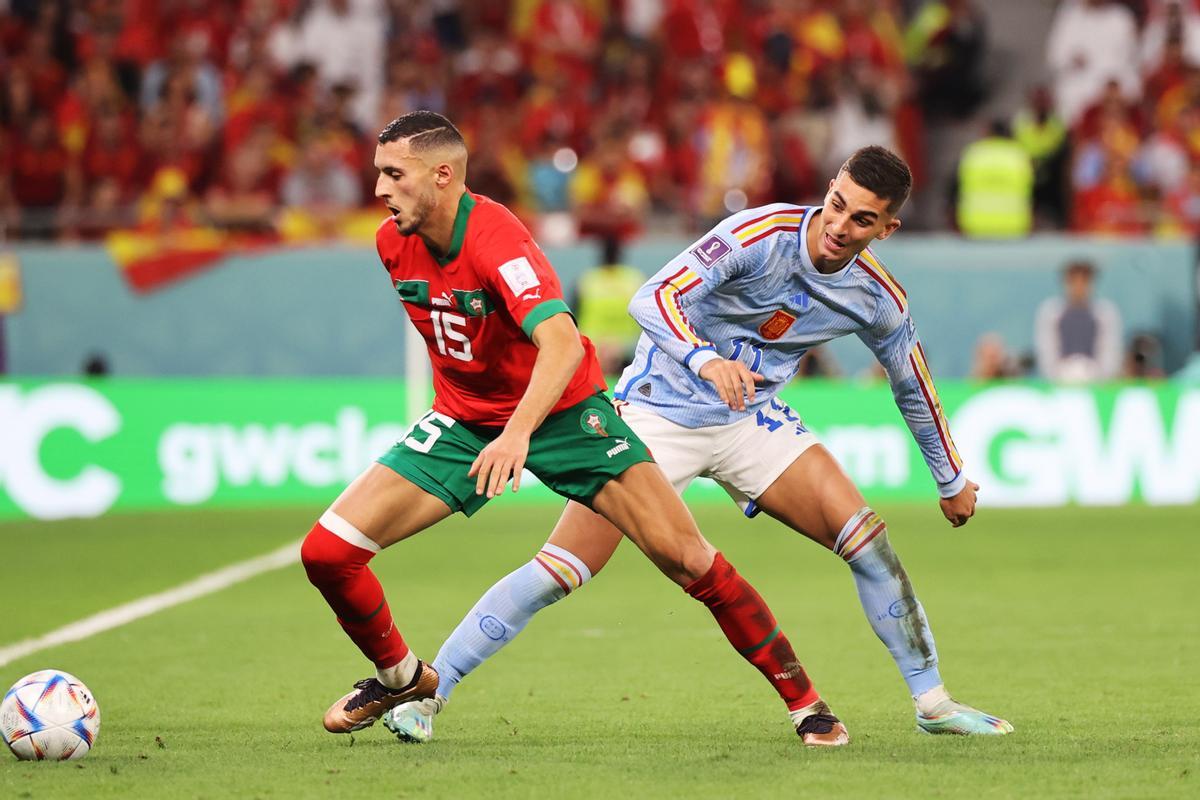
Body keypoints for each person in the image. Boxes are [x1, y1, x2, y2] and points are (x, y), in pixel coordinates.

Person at [387, 145, 1013, 744]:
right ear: (829, 189)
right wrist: (705, 358)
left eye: (863, 219)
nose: (840, 225)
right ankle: (427, 696)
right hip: (654, 415)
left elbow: (913, 385)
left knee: (869, 543)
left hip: (750, 420)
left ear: (889, 229)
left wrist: (951, 477)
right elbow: (651, 296)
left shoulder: (877, 297)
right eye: (838, 203)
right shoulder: (758, 234)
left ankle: (933, 704)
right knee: (560, 570)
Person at [301, 110, 849, 747]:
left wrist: (518, 433)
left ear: (443, 175)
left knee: (686, 557)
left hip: (563, 415)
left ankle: (806, 703)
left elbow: (560, 347)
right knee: (327, 553)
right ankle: (400, 677)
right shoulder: (391, 242)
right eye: (378, 175)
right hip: (463, 421)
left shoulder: (496, 240)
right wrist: (484, 422)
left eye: (394, 175)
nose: (379, 190)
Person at [1034, 259, 1124, 382]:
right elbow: (1047, 351)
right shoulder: (1051, 313)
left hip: (1096, 381)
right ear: (1066, 283)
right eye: (1074, 281)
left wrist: (1098, 376)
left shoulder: (1105, 314)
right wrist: (1059, 376)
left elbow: (1109, 351)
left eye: (1084, 281)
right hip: (1060, 380)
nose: (1079, 286)